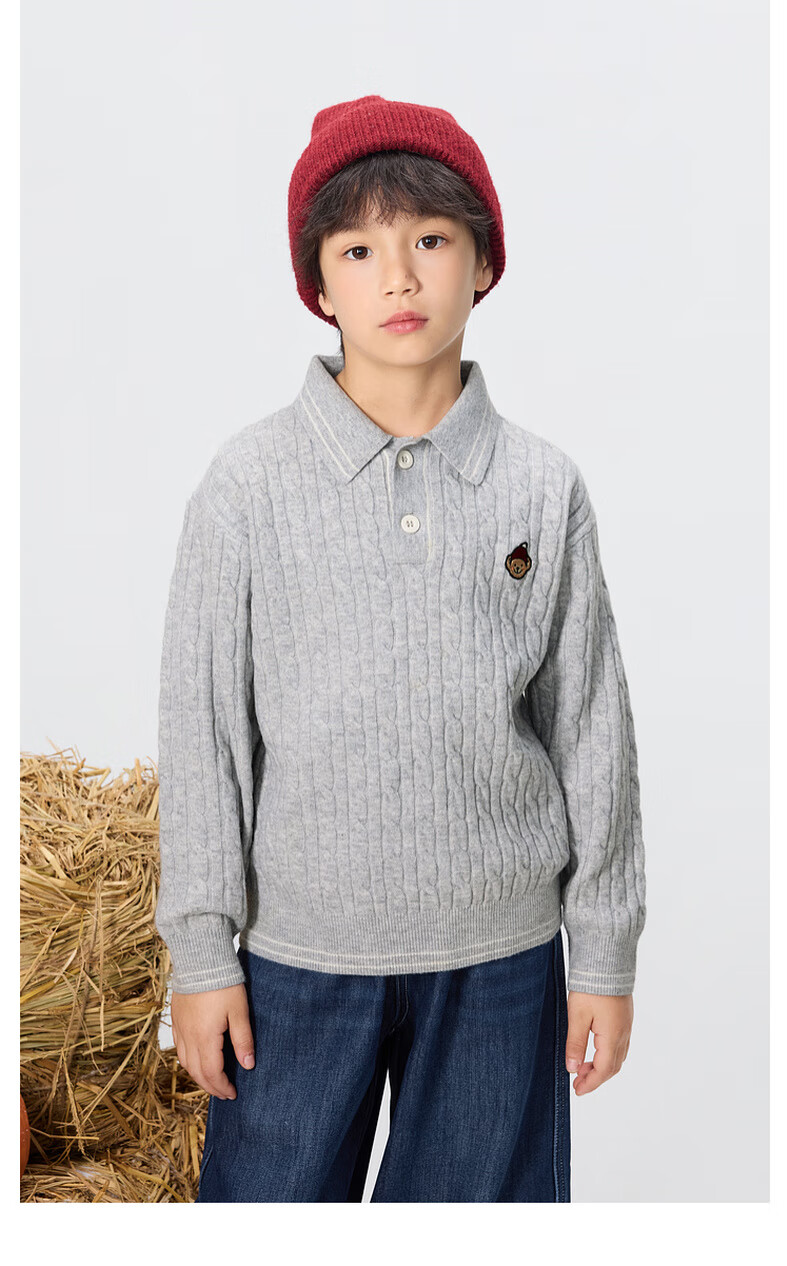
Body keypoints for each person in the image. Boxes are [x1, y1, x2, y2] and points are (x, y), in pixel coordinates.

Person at [154, 94, 648, 1203]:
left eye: (430, 240)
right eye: (359, 250)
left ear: (483, 263)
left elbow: (592, 731)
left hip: (502, 962)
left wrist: (605, 953)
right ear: (318, 286)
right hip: (294, 963)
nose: (399, 278)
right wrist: (202, 953)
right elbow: (204, 734)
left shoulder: (542, 486)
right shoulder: (247, 487)